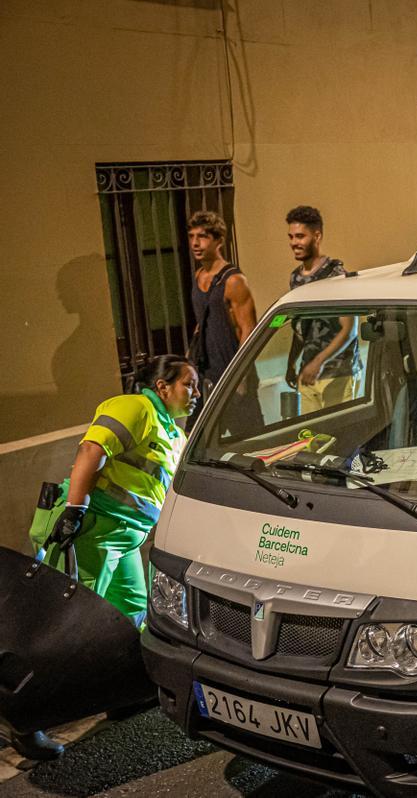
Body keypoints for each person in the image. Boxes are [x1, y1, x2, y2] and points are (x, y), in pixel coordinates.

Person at [13, 355, 198, 761]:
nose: (196, 394)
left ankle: (122, 694)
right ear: (163, 386)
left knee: (131, 609)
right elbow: (92, 450)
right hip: (93, 530)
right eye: (189, 384)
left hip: (124, 538)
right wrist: (75, 510)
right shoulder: (136, 407)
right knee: (64, 631)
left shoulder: (172, 432)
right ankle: (28, 724)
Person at [283, 206, 362, 412]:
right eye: (291, 237)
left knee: (339, 437)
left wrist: (318, 363)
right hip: (308, 376)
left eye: (300, 236)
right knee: (311, 438)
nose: (294, 243)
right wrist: (292, 363)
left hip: (339, 374)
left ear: (317, 236)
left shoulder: (336, 275)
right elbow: (299, 327)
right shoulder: (296, 278)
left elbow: (350, 330)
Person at [188, 211, 257, 394]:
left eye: (202, 237)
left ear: (219, 241)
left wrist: (240, 376)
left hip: (230, 365)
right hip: (205, 367)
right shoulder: (199, 275)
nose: (195, 243)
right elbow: (202, 321)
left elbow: (248, 329)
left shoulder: (233, 280)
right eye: (192, 236)